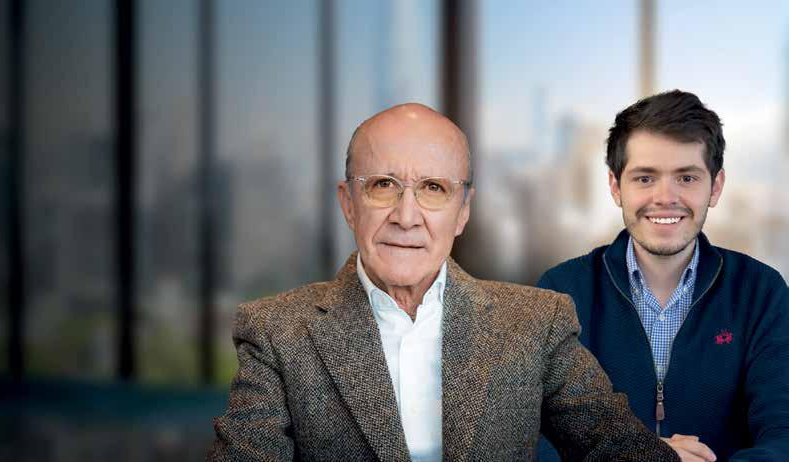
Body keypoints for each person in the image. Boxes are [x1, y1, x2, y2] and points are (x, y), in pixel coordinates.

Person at [211, 103, 678, 461]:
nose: (406, 216)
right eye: (382, 185)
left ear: (463, 212)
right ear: (349, 203)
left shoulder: (536, 324)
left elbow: (616, 445)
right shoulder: (276, 332)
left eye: (433, 189)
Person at [537, 90, 789, 462]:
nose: (665, 197)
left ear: (715, 186)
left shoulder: (761, 293)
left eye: (686, 178)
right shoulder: (560, 293)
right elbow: (536, 439)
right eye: (644, 178)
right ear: (615, 186)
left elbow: (783, 436)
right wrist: (644, 457)